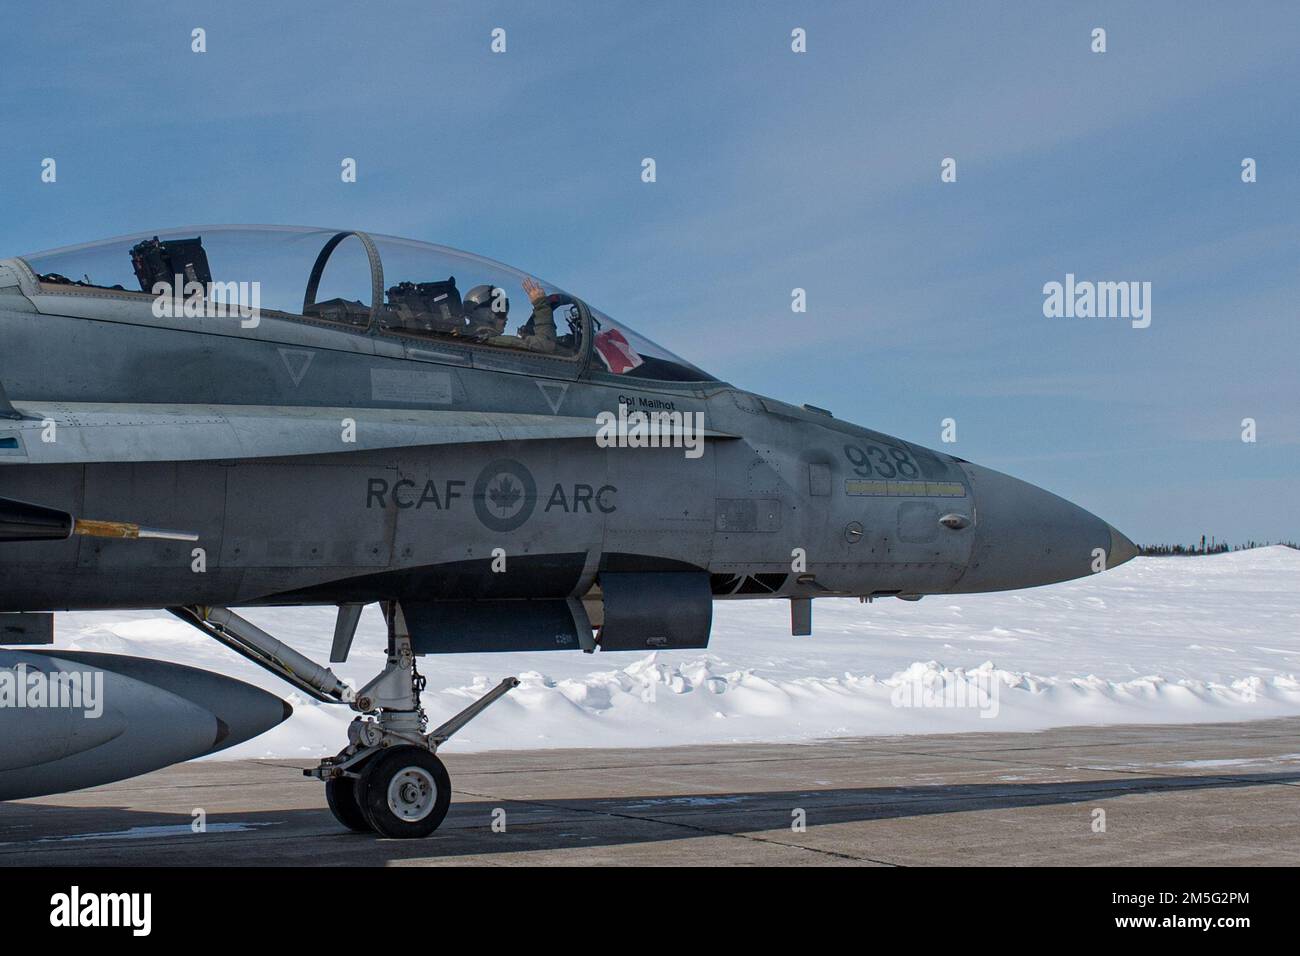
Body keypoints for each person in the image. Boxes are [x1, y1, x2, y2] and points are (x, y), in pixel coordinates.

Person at [464, 277, 556, 353]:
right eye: (502, 313)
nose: (506, 319)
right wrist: (541, 304)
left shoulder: (465, 339)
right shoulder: (497, 342)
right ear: (489, 315)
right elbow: (546, 346)